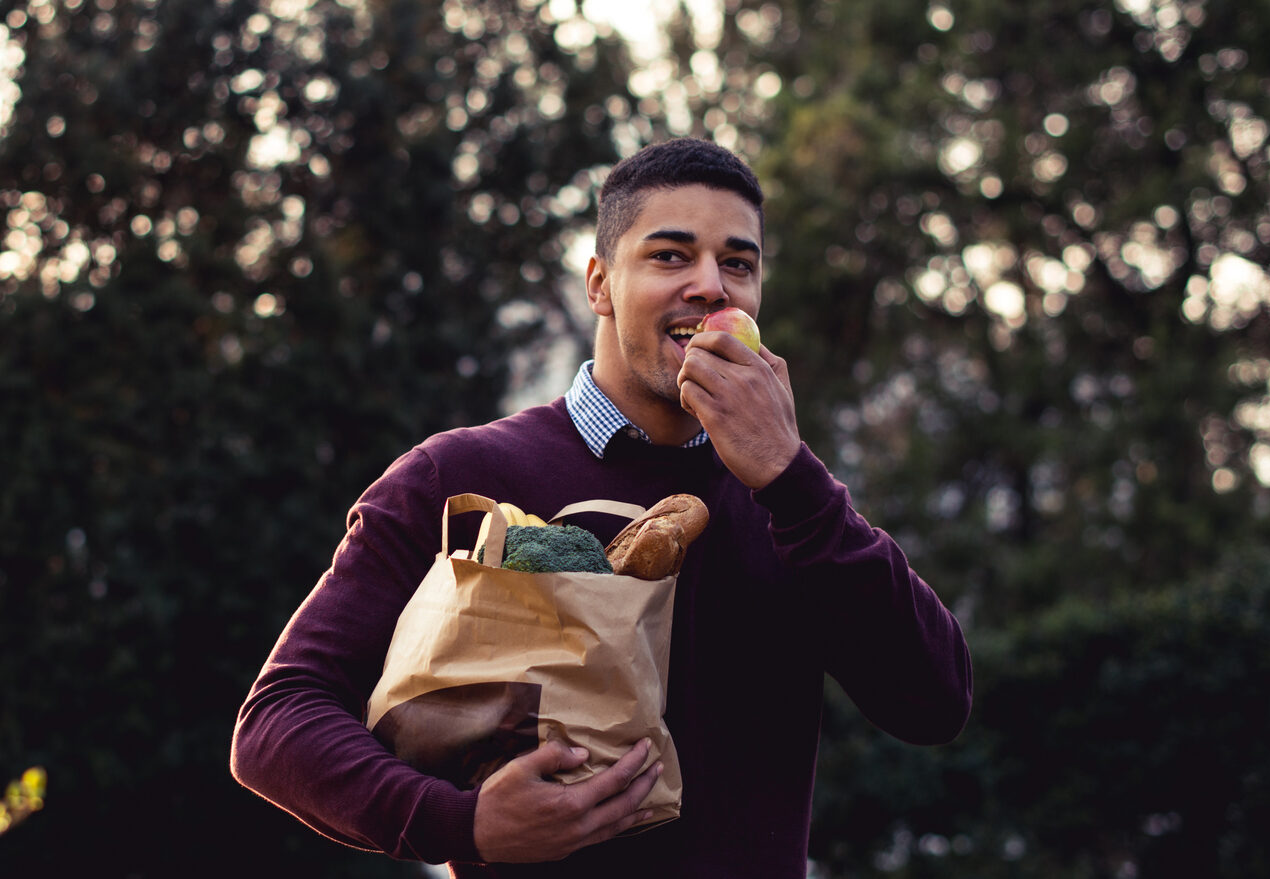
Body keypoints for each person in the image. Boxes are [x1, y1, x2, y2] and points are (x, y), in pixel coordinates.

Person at [231, 137, 972, 876]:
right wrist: (460, 822)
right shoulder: (459, 475)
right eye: (670, 256)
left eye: (737, 264)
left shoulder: (794, 506)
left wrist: (788, 476)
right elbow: (278, 720)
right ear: (598, 285)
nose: (711, 286)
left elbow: (934, 702)